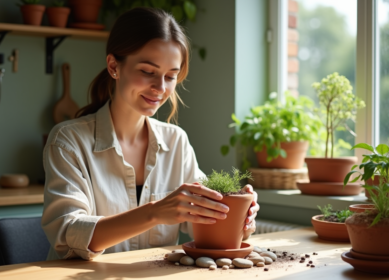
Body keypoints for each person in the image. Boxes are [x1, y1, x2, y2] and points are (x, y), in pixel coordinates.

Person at [41, 7, 259, 261]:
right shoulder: (68, 141)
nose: (160, 88)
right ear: (114, 66)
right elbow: (67, 234)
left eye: (170, 76)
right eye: (147, 72)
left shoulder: (176, 142)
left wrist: (239, 215)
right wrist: (155, 213)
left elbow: (203, 222)